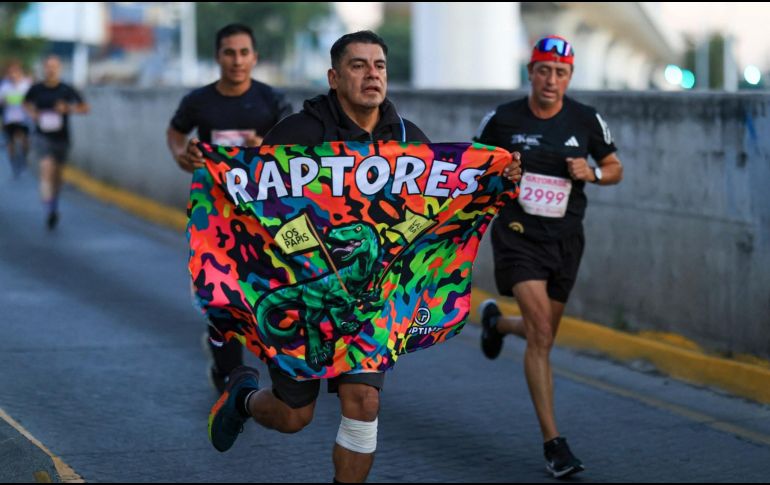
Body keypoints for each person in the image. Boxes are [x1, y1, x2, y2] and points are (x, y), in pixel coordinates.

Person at [187, 30, 521, 483]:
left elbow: (443, 201)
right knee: (294, 416)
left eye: (379, 66)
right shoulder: (298, 134)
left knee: (364, 404)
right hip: (303, 300)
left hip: (369, 306)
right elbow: (255, 204)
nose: (371, 75)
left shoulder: (407, 140)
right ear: (334, 76)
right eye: (358, 65)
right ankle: (243, 397)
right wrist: (209, 168)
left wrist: (499, 177)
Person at [473, 35, 623, 479]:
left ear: (569, 77)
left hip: (566, 240)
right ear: (531, 72)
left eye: (560, 73)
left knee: (543, 336)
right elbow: (474, 166)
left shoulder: (586, 119)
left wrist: (591, 173)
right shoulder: (502, 119)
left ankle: (496, 323)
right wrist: (502, 171)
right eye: (543, 70)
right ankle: (553, 444)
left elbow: (615, 168)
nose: (550, 80)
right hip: (518, 237)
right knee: (540, 333)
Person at [166, 23, 292, 393]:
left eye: (243, 53)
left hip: (262, 216)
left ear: (254, 57)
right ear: (217, 56)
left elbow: (297, 149)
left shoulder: (272, 100)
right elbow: (175, 133)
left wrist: (265, 145)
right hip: (214, 215)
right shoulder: (198, 101)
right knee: (217, 290)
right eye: (229, 52)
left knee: (258, 293)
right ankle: (228, 373)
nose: (237, 61)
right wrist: (182, 155)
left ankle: (241, 349)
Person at [23, 55, 89, 230]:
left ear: (59, 69)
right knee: (46, 169)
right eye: (48, 66)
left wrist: (68, 108)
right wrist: (33, 113)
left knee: (57, 175)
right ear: (44, 68)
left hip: (62, 137)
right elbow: (26, 104)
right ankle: (50, 209)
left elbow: (85, 107)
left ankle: (54, 201)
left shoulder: (66, 89)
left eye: (54, 66)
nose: (51, 69)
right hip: (42, 135)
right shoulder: (36, 89)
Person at [0, 60, 32, 178]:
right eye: (11, 72)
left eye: (15, 72)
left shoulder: (27, 85)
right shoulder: (5, 86)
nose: (13, 74)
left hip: (24, 119)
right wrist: (5, 101)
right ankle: (13, 163)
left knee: (25, 142)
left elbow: (33, 101)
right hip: (9, 119)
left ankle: (24, 157)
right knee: (10, 145)